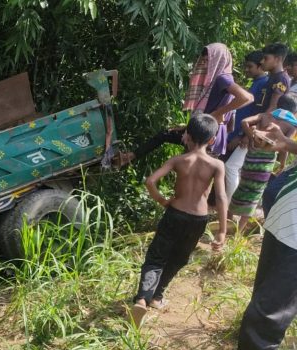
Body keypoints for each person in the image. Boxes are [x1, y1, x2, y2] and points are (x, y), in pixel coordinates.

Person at [130, 114, 227, 327]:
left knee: (156, 257)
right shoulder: (217, 165)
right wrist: (222, 230)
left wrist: (163, 201)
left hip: (174, 213)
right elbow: (220, 197)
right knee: (179, 258)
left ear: (187, 136)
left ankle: (142, 298)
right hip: (198, 219)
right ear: (212, 140)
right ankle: (157, 297)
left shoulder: (178, 161)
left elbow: (150, 181)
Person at [233, 110, 297, 350]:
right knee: (262, 321)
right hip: (282, 230)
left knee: (260, 325)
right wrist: (283, 143)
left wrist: (285, 142)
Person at [116, 43, 254, 166]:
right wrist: (187, 127)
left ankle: (129, 157)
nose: (205, 65)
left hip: (208, 134)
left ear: (219, 60)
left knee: (193, 174)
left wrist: (216, 114)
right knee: (166, 135)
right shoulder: (217, 79)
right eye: (204, 61)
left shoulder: (222, 78)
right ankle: (129, 157)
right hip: (204, 130)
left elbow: (246, 98)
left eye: (209, 61)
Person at [229, 94, 297, 233]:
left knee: (242, 188)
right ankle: (238, 232)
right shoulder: (291, 125)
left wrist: (251, 136)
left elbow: (244, 122)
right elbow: (284, 147)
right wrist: (282, 165)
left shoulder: (264, 115)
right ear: (294, 110)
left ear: (278, 105)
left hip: (251, 156)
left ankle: (228, 222)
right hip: (265, 163)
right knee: (255, 194)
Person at [225, 50, 270, 202]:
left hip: (245, 134)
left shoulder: (264, 84)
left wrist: (244, 136)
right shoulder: (257, 83)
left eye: (250, 67)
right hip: (239, 131)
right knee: (234, 169)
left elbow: (260, 112)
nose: (246, 70)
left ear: (260, 66)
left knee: (231, 168)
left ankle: (231, 204)